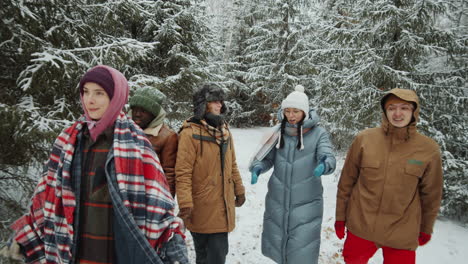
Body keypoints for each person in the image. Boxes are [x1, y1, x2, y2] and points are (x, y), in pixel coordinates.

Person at [0, 65, 188, 264]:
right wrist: (22, 239)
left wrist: (174, 251)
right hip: (73, 251)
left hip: (114, 253)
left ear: (116, 96)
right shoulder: (67, 141)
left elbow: (159, 208)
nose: (90, 100)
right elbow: (46, 197)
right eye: (86, 92)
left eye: (99, 93)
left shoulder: (137, 144)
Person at [335, 88, 443, 264]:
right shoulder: (364, 139)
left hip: (402, 233)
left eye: (404, 108)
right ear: (385, 111)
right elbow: (346, 182)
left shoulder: (428, 149)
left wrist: (426, 227)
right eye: (392, 108)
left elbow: (431, 195)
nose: (398, 113)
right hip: (361, 226)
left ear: (414, 111)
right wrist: (340, 218)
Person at [249, 85, 337, 264]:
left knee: (301, 251)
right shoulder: (277, 132)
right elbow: (267, 157)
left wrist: (324, 164)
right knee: (279, 248)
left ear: (304, 112)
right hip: (278, 200)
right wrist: (258, 167)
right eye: (287, 111)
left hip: (307, 203)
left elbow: (327, 155)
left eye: (295, 111)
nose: (291, 115)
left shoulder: (318, 133)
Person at [175, 83, 246, 264]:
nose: (219, 105)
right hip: (200, 205)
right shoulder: (190, 133)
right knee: (206, 255)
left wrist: (239, 189)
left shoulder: (225, 131)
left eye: (220, 101)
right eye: (214, 101)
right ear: (203, 104)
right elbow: (183, 173)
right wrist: (185, 203)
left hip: (222, 205)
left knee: (217, 254)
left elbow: (233, 165)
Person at [129, 87, 178, 196]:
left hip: (151, 196)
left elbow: (169, 174)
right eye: (135, 110)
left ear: (154, 113)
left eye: (143, 111)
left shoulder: (167, 136)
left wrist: (166, 202)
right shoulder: (124, 130)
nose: (137, 114)